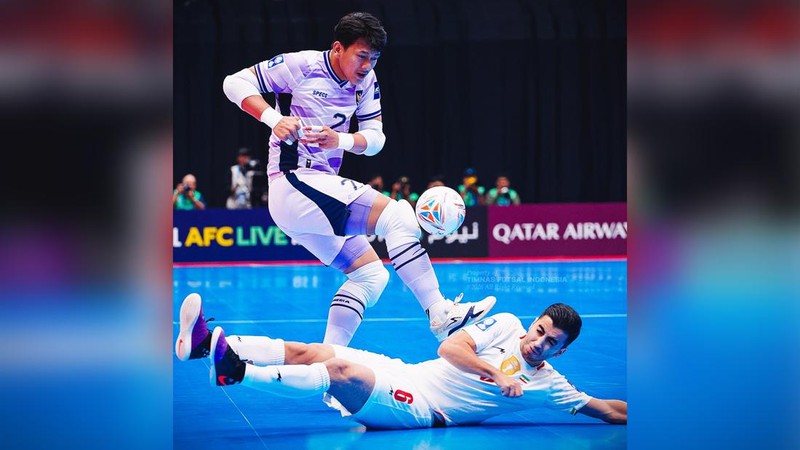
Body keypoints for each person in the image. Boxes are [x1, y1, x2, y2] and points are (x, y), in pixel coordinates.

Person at [220, 12, 495, 346]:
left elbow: (376, 139)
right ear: (338, 48)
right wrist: (273, 119)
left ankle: (328, 363)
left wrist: (341, 140)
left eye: (374, 58)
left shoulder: (366, 81)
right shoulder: (302, 66)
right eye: (362, 56)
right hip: (294, 182)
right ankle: (439, 312)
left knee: (370, 274)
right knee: (397, 216)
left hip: (312, 196)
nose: (367, 65)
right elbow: (233, 82)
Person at [175, 293, 627, 429]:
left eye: (551, 343)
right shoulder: (507, 325)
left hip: (423, 409)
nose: (538, 343)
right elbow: (449, 349)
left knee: (339, 373)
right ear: (533, 324)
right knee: (310, 351)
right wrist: (494, 373)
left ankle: (237, 372)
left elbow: (608, 410)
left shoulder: (551, 385)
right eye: (540, 331)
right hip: (408, 372)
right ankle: (205, 345)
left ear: (560, 351)